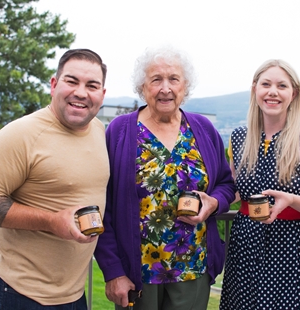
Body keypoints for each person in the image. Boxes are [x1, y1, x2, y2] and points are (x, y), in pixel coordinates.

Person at [0, 48, 109, 310]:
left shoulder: (98, 130)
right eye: (71, 81)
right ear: (54, 85)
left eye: (92, 85)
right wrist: (52, 222)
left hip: (73, 295)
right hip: (18, 292)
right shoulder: (21, 134)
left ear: (102, 94)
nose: (81, 92)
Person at [94, 45, 236, 310]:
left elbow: (226, 185)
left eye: (173, 79)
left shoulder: (202, 128)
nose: (165, 88)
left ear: (185, 86)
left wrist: (214, 203)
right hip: (137, 274)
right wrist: (113, 271)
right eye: (156, 79)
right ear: (142, 87)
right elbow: (104, 205)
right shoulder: (120, 131)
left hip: (193, 269)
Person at [219, 59, 300, 309]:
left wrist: (293, 199)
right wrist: (211, 196)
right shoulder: (239, 137)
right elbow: (235, 187)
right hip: (247, 246)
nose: (272, 92)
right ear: (255, 89)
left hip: (295, 250)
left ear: (293, 93)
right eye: (265, 84)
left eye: (282, 86)